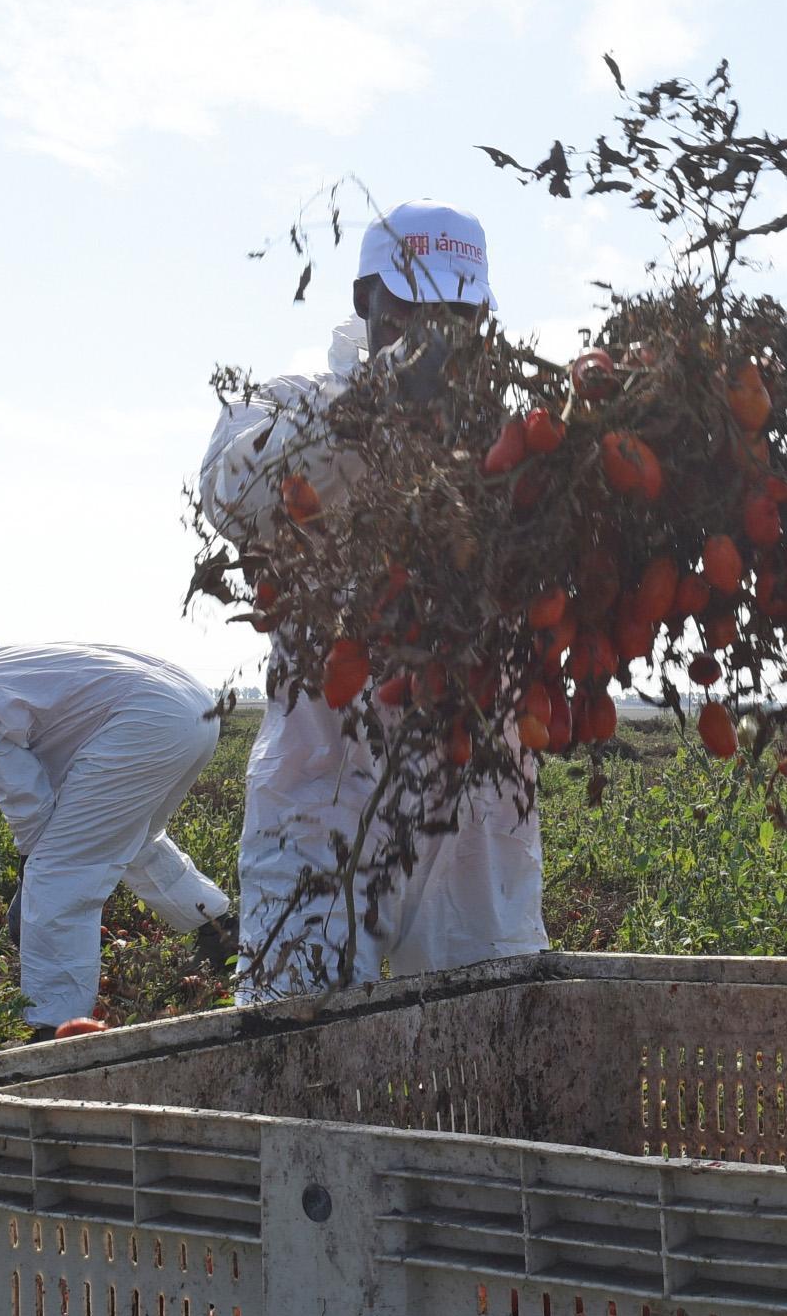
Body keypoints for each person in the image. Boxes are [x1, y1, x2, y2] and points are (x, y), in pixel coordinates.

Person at [200, 201, 547, 1002]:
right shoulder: (295, 408)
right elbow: (232, 490)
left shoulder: (516, 442)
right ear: (366, 303)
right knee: (298, 1037)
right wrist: (372, 406)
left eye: (456, 313)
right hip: (321, 789)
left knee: (490, 1029)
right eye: (409, 309)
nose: (435, 331)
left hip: (477, 795)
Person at [0, 612, 232, 1035]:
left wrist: (31, 869)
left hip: (147, 721)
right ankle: (221, 930)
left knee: (58, 873)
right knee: (134, 838)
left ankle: (53, 1027)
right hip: (194, 707)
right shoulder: (8, 663)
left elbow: (28, 799)